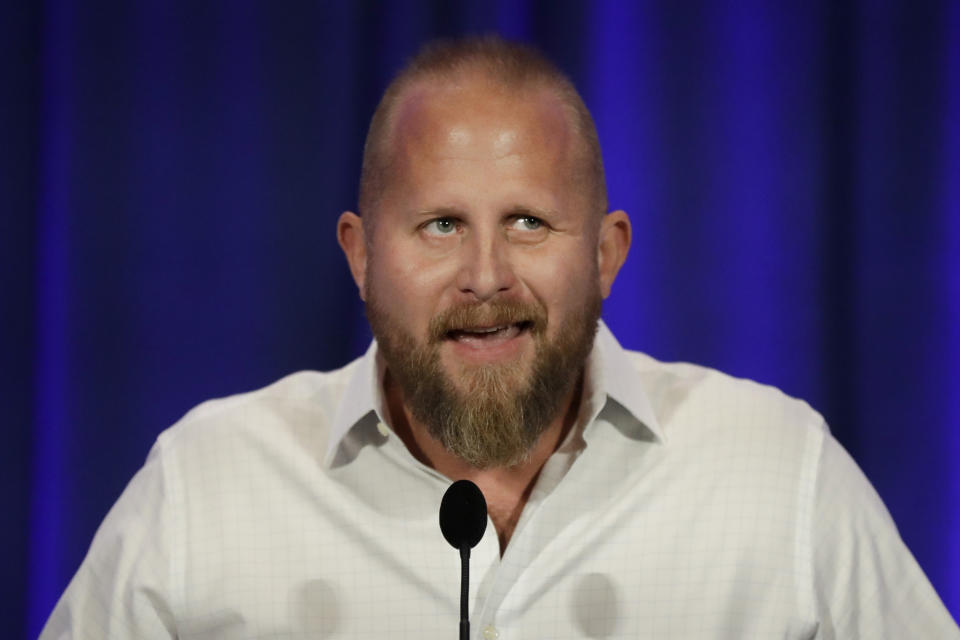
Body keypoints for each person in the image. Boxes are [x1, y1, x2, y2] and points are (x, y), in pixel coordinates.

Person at [41, 36, 958, 639]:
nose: (486, 276)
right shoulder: (208, 487)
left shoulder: (776, 473)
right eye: (440, 225)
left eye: (528, 222)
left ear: (606, 254)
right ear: (359, 256)